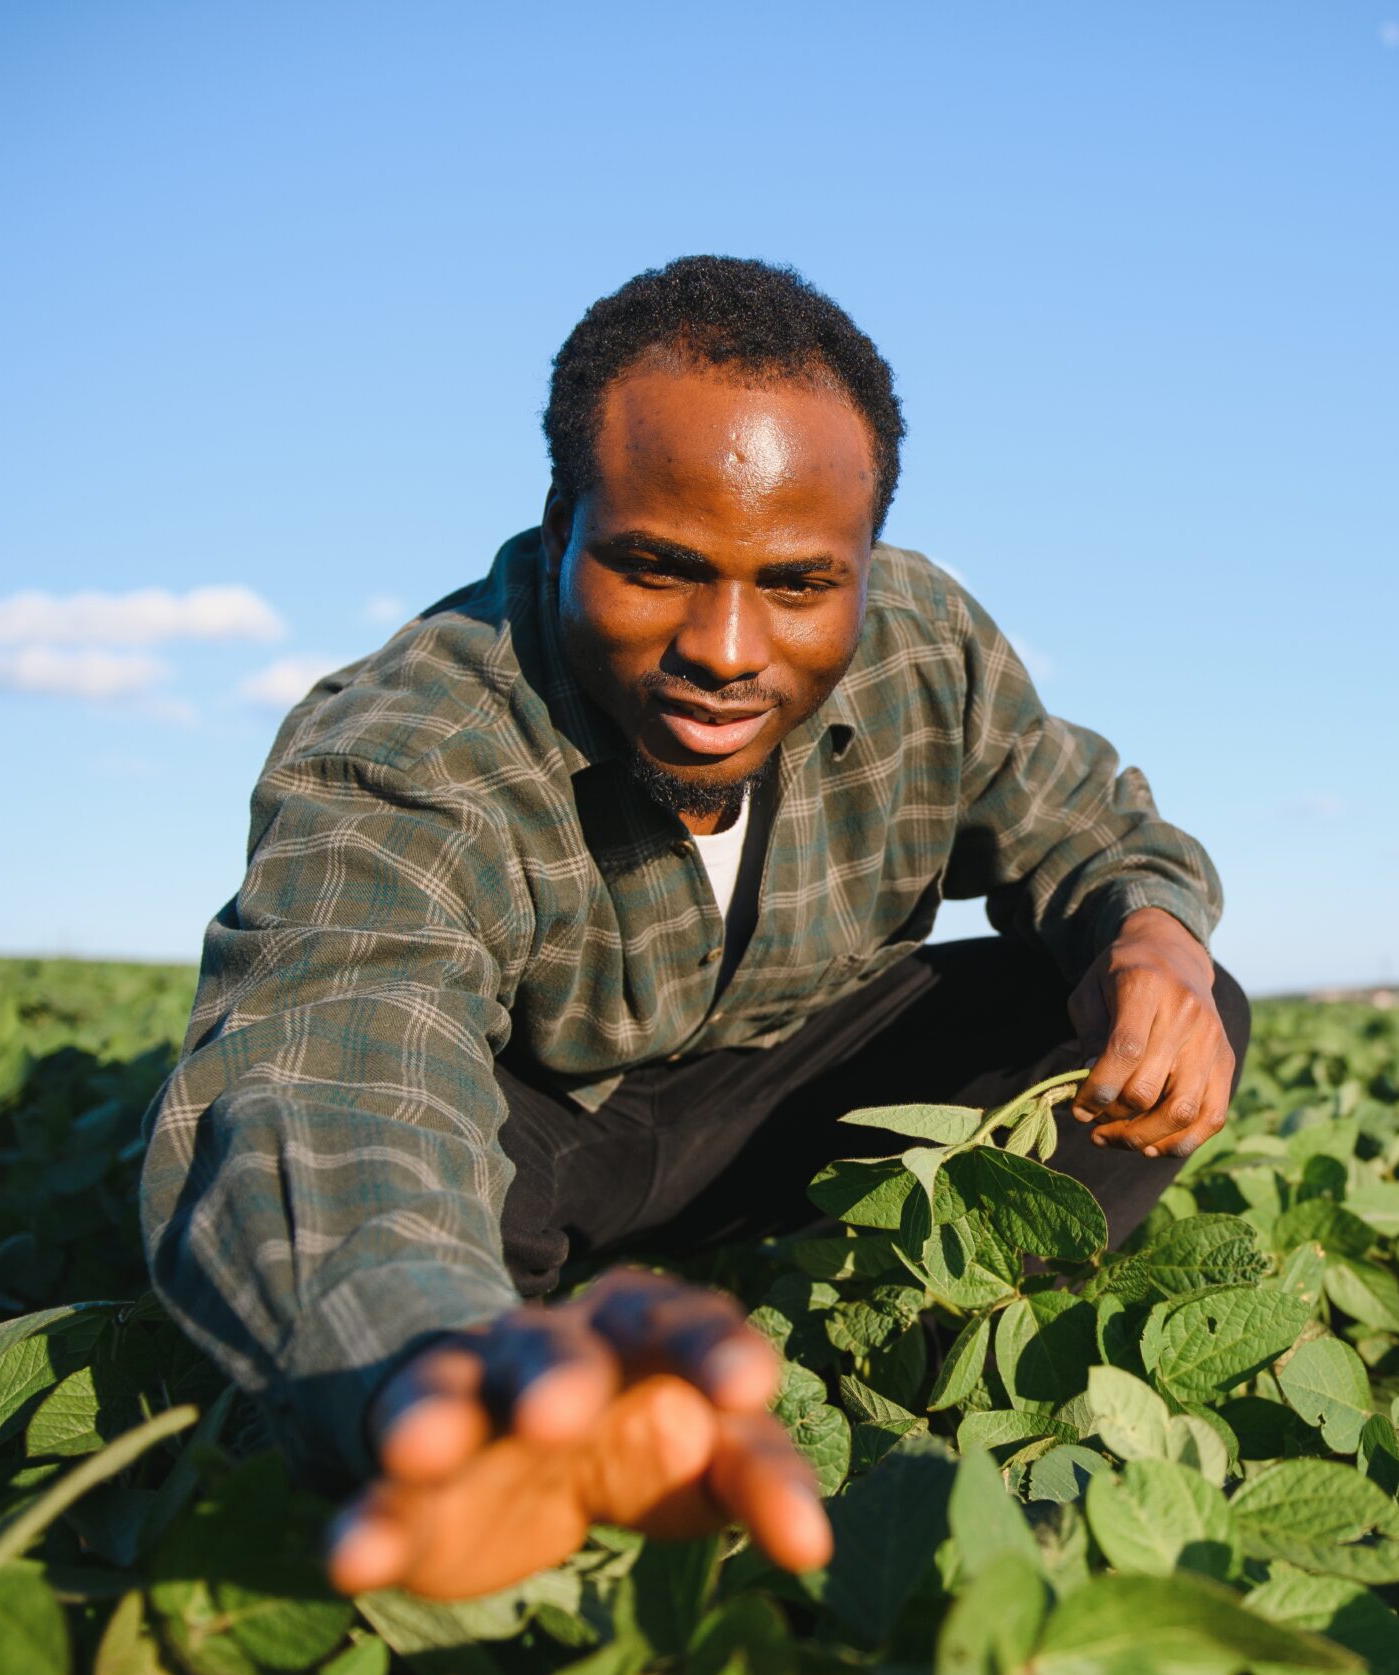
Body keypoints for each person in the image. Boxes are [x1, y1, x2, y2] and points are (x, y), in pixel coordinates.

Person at [137, 257, 1243, 1601]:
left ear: (863, 565)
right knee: (399, 1246)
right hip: (533, 1135)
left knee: (1139, 996)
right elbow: (341, 1069)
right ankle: (517, 1366)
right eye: (656, 569)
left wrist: (1153, 941)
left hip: (777, 1099)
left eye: (795, 585)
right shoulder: (414, 744)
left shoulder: (926, 645)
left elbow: (1086, 823)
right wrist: (424, 1354)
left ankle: (948, 1335)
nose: (725, 646)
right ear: (561, 534)